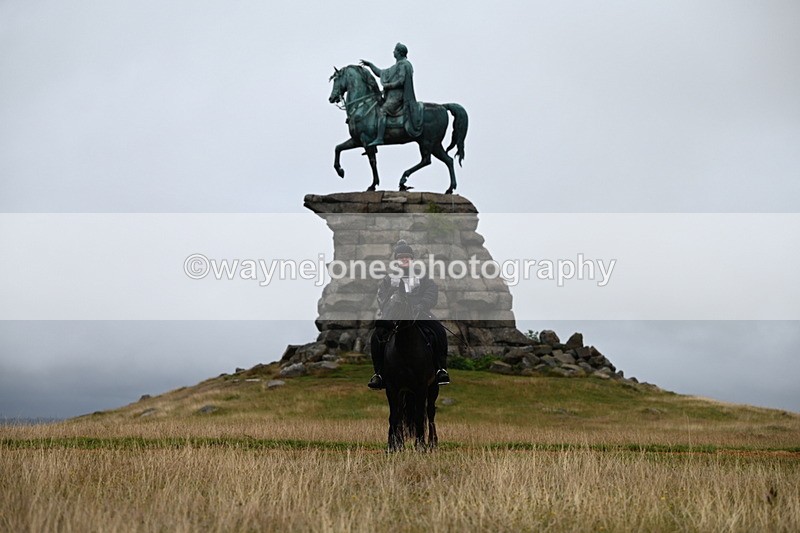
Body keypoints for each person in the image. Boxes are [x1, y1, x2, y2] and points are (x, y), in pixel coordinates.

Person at [368, 240, 450, 390]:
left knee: (439, 331)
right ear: (396, 260)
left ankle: (440, 369)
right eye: (401, 257)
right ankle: (379, 374)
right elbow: (381, 296)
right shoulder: (389, 279)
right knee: (376, 337)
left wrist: (423, 304)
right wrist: (390, 306)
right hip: (395, 316)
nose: (404, 259)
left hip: (419, 314)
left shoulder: (422, 276)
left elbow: (431, 291)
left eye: (407, 257)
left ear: (412, 259)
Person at [360, 42, 423, 146]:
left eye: (395, 50)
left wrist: (388, 86)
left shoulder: (404, 65)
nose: (393, 52)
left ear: (399, 52)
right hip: (391, 96)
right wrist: (370, 65)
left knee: (382, 111)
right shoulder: (397, 66)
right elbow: (381, 73)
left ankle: (380, 138)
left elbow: (401, 81)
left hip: (398, 97)